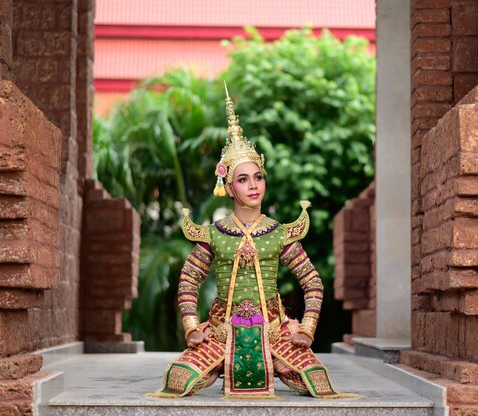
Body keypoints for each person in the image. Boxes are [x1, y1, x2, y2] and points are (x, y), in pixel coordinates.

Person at [147, 86, 356, 400]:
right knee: (179, 381)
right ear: (229, 187)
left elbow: (312, 281)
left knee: (316, 382)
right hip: (222, 332)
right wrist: (192, 327)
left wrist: (307, 328)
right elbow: (189, 280)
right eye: (243, 180)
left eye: (258, 177)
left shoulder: (279, 233)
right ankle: (222, 362)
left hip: (274, 333)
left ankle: (276, 361)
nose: (253, 185)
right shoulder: (215, 234)